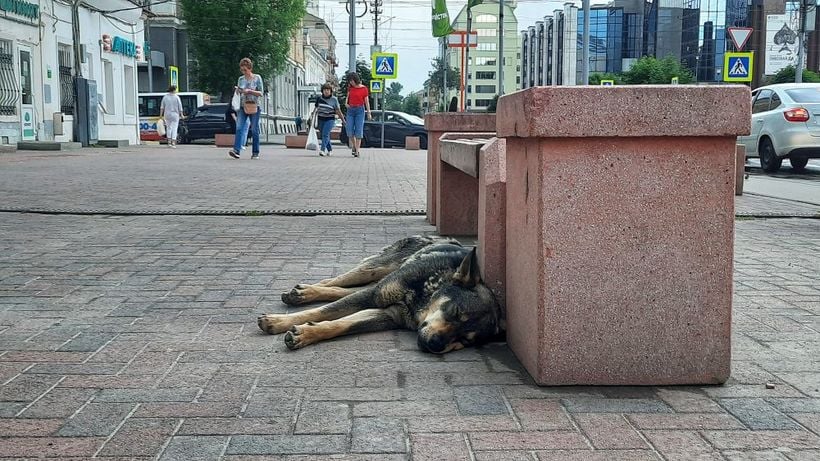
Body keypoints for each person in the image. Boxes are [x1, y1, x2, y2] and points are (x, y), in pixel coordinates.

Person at [228, 57, 263, 159]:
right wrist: (239, 90)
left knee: (255, 129)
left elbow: (261, 92)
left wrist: (250, 91)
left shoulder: (257, 78)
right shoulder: (241, 79)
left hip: (254, 106)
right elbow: (240, 91)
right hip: (243, 106)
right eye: (242, 70)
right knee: (239, 128)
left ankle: (255, 152)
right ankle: (236, 150)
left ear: (250, 68)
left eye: (245, 70)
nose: (244, 72)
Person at [311, 83, 346, 157]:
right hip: (320, 119)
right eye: (324, 90)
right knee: (324, 135)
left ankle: (322, 150)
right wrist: (312, 116)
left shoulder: (334, 99)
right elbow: (316, 108)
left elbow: (338, 110)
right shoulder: (319, 98)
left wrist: (343, 120)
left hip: (330, 119)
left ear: (331, 91)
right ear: (322, 91)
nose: (326, 91)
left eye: (328, 90)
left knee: (325, 134)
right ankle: (330, 150)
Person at [344, 72, 371, 157]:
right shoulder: (350, 88)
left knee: (359, 130)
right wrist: (346, 103)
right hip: (350, 110)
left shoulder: (364, 89)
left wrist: (369, 113)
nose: (351, 82)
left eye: (351, 80)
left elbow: (366, 102)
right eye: (349, 81)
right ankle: (355, 146)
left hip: (360, 110)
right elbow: (347, 97)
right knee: (349, 130)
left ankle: (357, 151)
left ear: (356, 79)